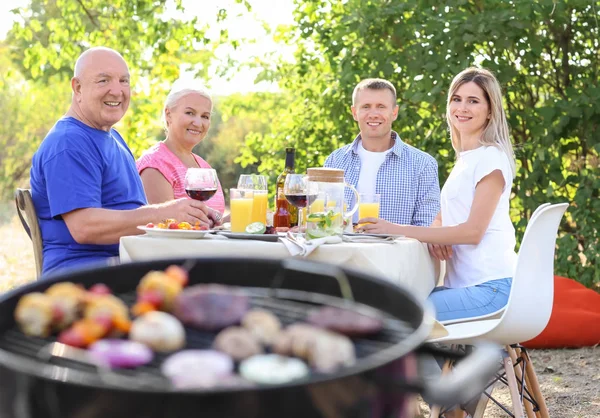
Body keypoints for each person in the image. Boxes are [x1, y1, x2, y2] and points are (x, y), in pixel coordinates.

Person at [30, 47, 218, 276]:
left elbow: (135, 215)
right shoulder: (69, 142)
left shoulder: (113, 138)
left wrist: (187, 219)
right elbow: (85, 227)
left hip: (125, 266)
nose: (117, 91)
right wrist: (164, 212)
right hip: (85, 276)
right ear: (77, 88)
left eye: (124, 81)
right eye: (103, 80)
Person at [358, 67, 517, 324]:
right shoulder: (466, 160)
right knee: (387, 300)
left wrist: (395, 229)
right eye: (457, 99)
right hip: (466, 287)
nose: (462, 108)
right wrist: (436, 232)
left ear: (490, 111)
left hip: (491, 288)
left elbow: (472, 232)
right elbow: (445, 216)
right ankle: (462, 362)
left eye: (473, 101)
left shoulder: (491, 158)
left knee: (396, 314)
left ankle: (481, 362)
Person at [324, 78, 440, 226]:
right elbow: (323, 218)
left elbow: (427, 227)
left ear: (394, 112)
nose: (373, 114)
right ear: (354, 112)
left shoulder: (423, 164)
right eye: (366, 106)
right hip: (344, 249)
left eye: (381, 106)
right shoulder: (334, 161)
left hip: (398, 250)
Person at [136, 81, 225, 216]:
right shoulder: (155, 165)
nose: (198, 123)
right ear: (168, 114)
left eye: (205, 116)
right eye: (190, 113)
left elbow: (212, 226)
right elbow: (164, 229)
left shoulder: (204, 167)